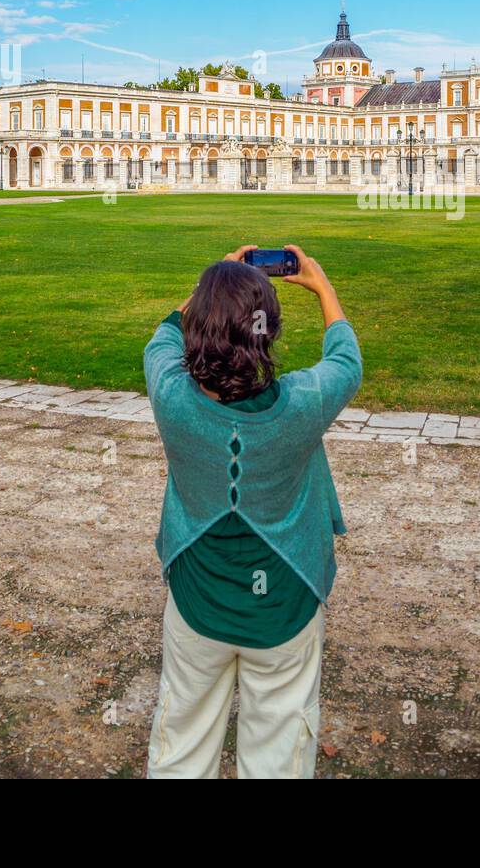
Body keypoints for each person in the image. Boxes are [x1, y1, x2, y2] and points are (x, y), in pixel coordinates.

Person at [144, 244, 361, 779]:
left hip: (199, 597)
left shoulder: (170, 393)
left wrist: (211, 288)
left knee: (182, 737)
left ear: (200, 327)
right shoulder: (303, 403)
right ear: (271, 331)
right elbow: (345, 362)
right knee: (281, 745)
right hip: (285, 603)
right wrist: (321, 284)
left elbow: (164, 335)